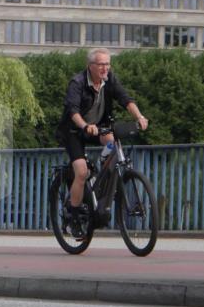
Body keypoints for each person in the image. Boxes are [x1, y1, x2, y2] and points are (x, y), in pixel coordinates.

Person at [55, 47, 148, 224]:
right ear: (90, 65)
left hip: (99, 128)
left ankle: (99, 176)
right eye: (101, 64)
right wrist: (85, 126)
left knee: (112, 143)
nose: (105, 68)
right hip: (74, 131)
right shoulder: (78, 82)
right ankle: (73, 215)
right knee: (81, 172)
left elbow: (125, 99)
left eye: (107, 64)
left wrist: (140, 117)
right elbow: (72, 110)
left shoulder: (109, 79)